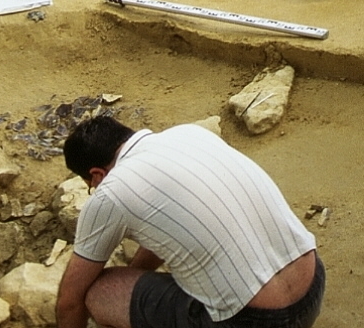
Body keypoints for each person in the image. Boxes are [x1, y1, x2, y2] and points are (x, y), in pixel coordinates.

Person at [57, 115, 323, 328]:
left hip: (253, 321)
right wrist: (139, 276)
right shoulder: (190, 134)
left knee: (99, 292)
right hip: (312, 289)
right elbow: (165, 220)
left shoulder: (110, 193)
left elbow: (70, 303)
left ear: (96, 175)